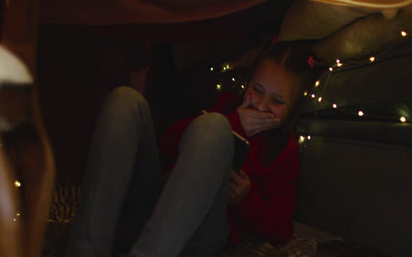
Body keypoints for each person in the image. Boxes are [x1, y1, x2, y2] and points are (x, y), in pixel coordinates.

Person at [65, 41, 313, 257]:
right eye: (257, 90)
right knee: (124, 99)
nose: (261, 105)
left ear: (293, 107)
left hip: (200, 233)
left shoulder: (284, 150)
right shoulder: (228, 108)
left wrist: (246, 200)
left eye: (277, 101)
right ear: (248, 83)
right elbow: (169, 142)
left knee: (215, 126)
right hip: (152, 208)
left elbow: (281, 229)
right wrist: (233, 122)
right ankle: (86, 250)